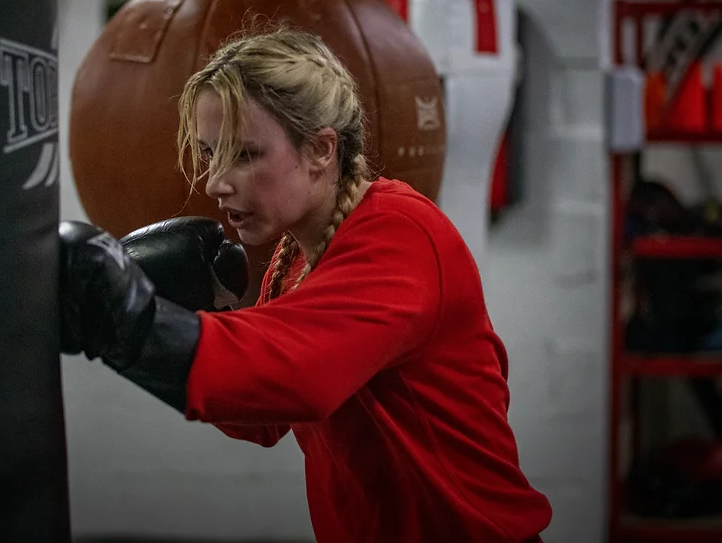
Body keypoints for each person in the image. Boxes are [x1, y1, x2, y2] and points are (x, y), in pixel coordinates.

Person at [60, 27, 553, 542]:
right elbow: (263, 415)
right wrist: (184, 320)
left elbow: (295, 379)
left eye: (246, 154)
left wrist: (127, 319)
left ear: (320, 149)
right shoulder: (298, 254)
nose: (215, 183)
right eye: (210, 154)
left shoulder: (400, 235)